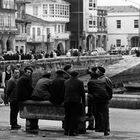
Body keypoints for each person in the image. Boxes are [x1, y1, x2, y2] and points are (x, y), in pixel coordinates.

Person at [88, 66, 113, 136]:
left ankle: (105, 128)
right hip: (103, 99)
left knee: (103, 114)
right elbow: (109, 90)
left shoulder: (105, 79)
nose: (96, 72)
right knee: (100, 114)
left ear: (100, 72)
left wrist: (109, 97)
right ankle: (100, 128)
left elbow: (110, 89)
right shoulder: (100, 79)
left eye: (97, 71)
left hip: (99, 99)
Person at [64, 71, 85, 136]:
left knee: (67, 116)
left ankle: (66, 130)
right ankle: (72, 131)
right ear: (77, 75)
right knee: (74, 116)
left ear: (70, 75)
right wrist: (84, 102)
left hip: (67, 100)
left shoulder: (66, 82)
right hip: (75, 101)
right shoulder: (80, 82)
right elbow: (82, 93)